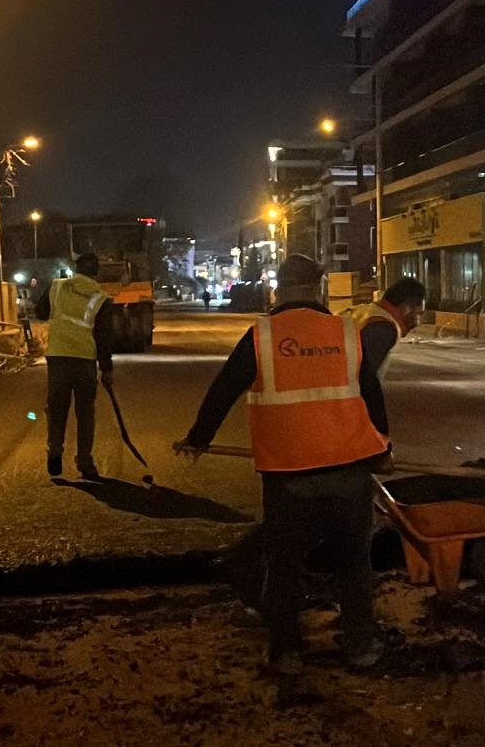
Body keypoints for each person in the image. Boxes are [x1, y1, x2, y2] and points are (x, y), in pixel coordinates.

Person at [175, 254, 392, 674]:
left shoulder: (261, 336)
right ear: (317, 287)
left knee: (285, 563)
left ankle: (287, 651)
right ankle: (361, 645)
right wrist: (383, 446)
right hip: (349, 469)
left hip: (289, 474)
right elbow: (372, 393)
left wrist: (199, 438)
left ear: (280, 289)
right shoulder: (345, 333)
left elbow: (224, 389)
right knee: (353, 562)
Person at [35, 253, 113, 479]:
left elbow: (40, 313)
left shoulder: (57, 287)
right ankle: (84, 462)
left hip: (58, 358)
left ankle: (55, 452)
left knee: (57, 408)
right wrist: (106, 369)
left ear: (76, 268)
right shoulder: (101, 298)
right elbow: (104, 337)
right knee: (85, 413)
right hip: (85, 361)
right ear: (96, 272)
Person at [346, 277, 426, 377]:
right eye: (419, 313)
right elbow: (364, 378)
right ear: (407, 307)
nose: (417, 323)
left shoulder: (363, 312)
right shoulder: (383, 328)